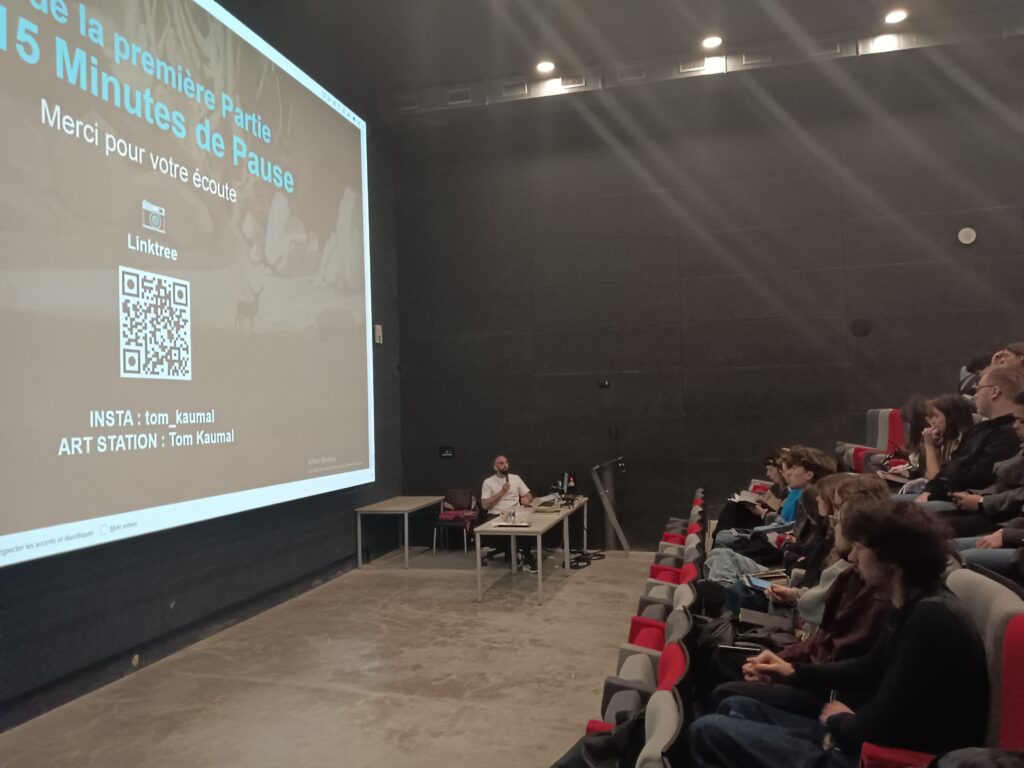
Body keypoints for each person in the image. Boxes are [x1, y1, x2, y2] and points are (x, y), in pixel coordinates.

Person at [687, 501, 988, 768]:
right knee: (736, 705)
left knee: (707, 731)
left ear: (891, 560)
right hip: (858, 735)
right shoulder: (915, 603)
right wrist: (791, 672)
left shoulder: (931, 620)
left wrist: (840, 720)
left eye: (861, 548)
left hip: (874, 757)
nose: (854, 557)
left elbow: (883, 724)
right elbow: (868, 667)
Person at [917, 365, 1024, 504]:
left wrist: (932, 493)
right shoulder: (980, 429)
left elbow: (976, 480)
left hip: (963, 501)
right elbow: (951, 470)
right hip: (945, 495)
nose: (975, 395)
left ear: (994, 391)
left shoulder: (1007, 434)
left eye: (979, 389)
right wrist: (931, 490)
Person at [480, 455, 536, 571]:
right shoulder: (488, 482)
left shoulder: (515, 478)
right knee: (508, 531)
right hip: (496, 515)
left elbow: (529, 495)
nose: (505, 465)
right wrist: (502, 492)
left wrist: (527, 500)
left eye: (506, 462)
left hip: (515, 512)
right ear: (495, 467)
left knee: (530, 527)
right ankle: (523, 559)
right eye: (501, 463)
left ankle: (523, 555)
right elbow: (484, 505)